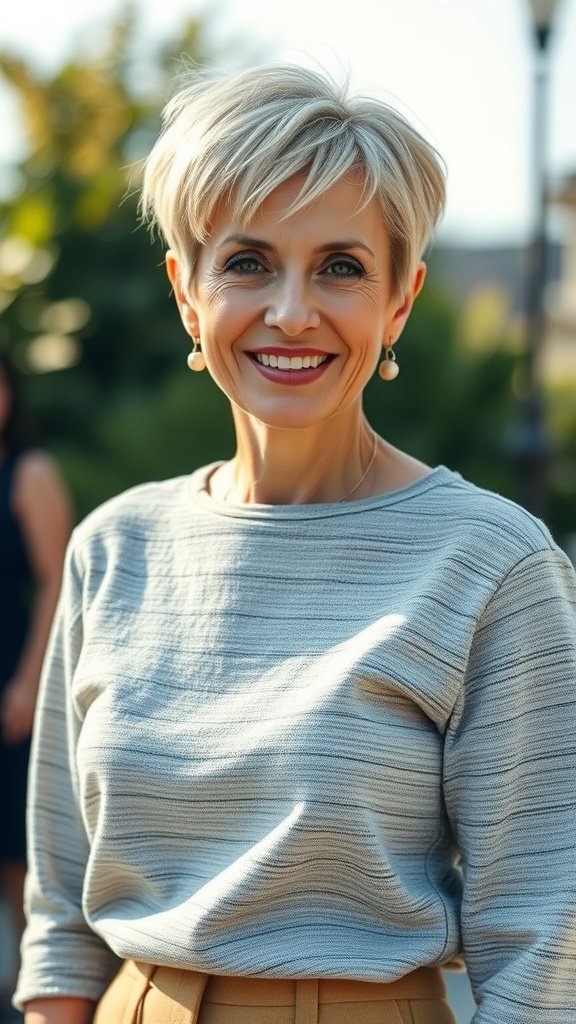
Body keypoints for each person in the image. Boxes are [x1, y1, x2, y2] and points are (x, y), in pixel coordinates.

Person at [15, 64, 576, 1024]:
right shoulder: (114, 547)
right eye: (245, 262)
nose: (290, 311)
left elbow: (543, 935)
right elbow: (62, 906)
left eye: (342, 267)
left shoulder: (492, 563)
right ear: (186, 294)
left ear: (400, 301)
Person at [0, 351, 71, 1017]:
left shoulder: (30, 472)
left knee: (20, 858)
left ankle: (39, 1004)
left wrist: (27, 682)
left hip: (12, 676)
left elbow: (58, 581)